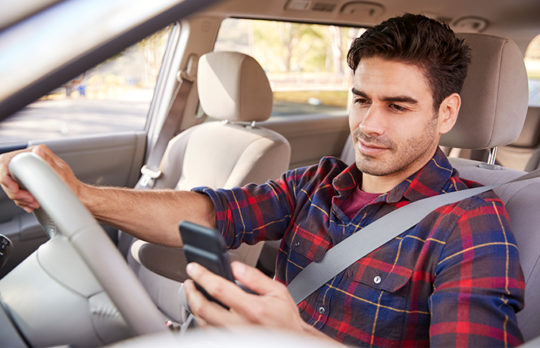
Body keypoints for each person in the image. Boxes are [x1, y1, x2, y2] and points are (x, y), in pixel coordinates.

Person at [0, 14, 524, 347]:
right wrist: (81, 195)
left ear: (447, 112)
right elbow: (210, 213)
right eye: (361, 99)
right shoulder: (320, 182)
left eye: (398, 106)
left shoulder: (471, 225)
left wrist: (294, 337)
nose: (369, 125)